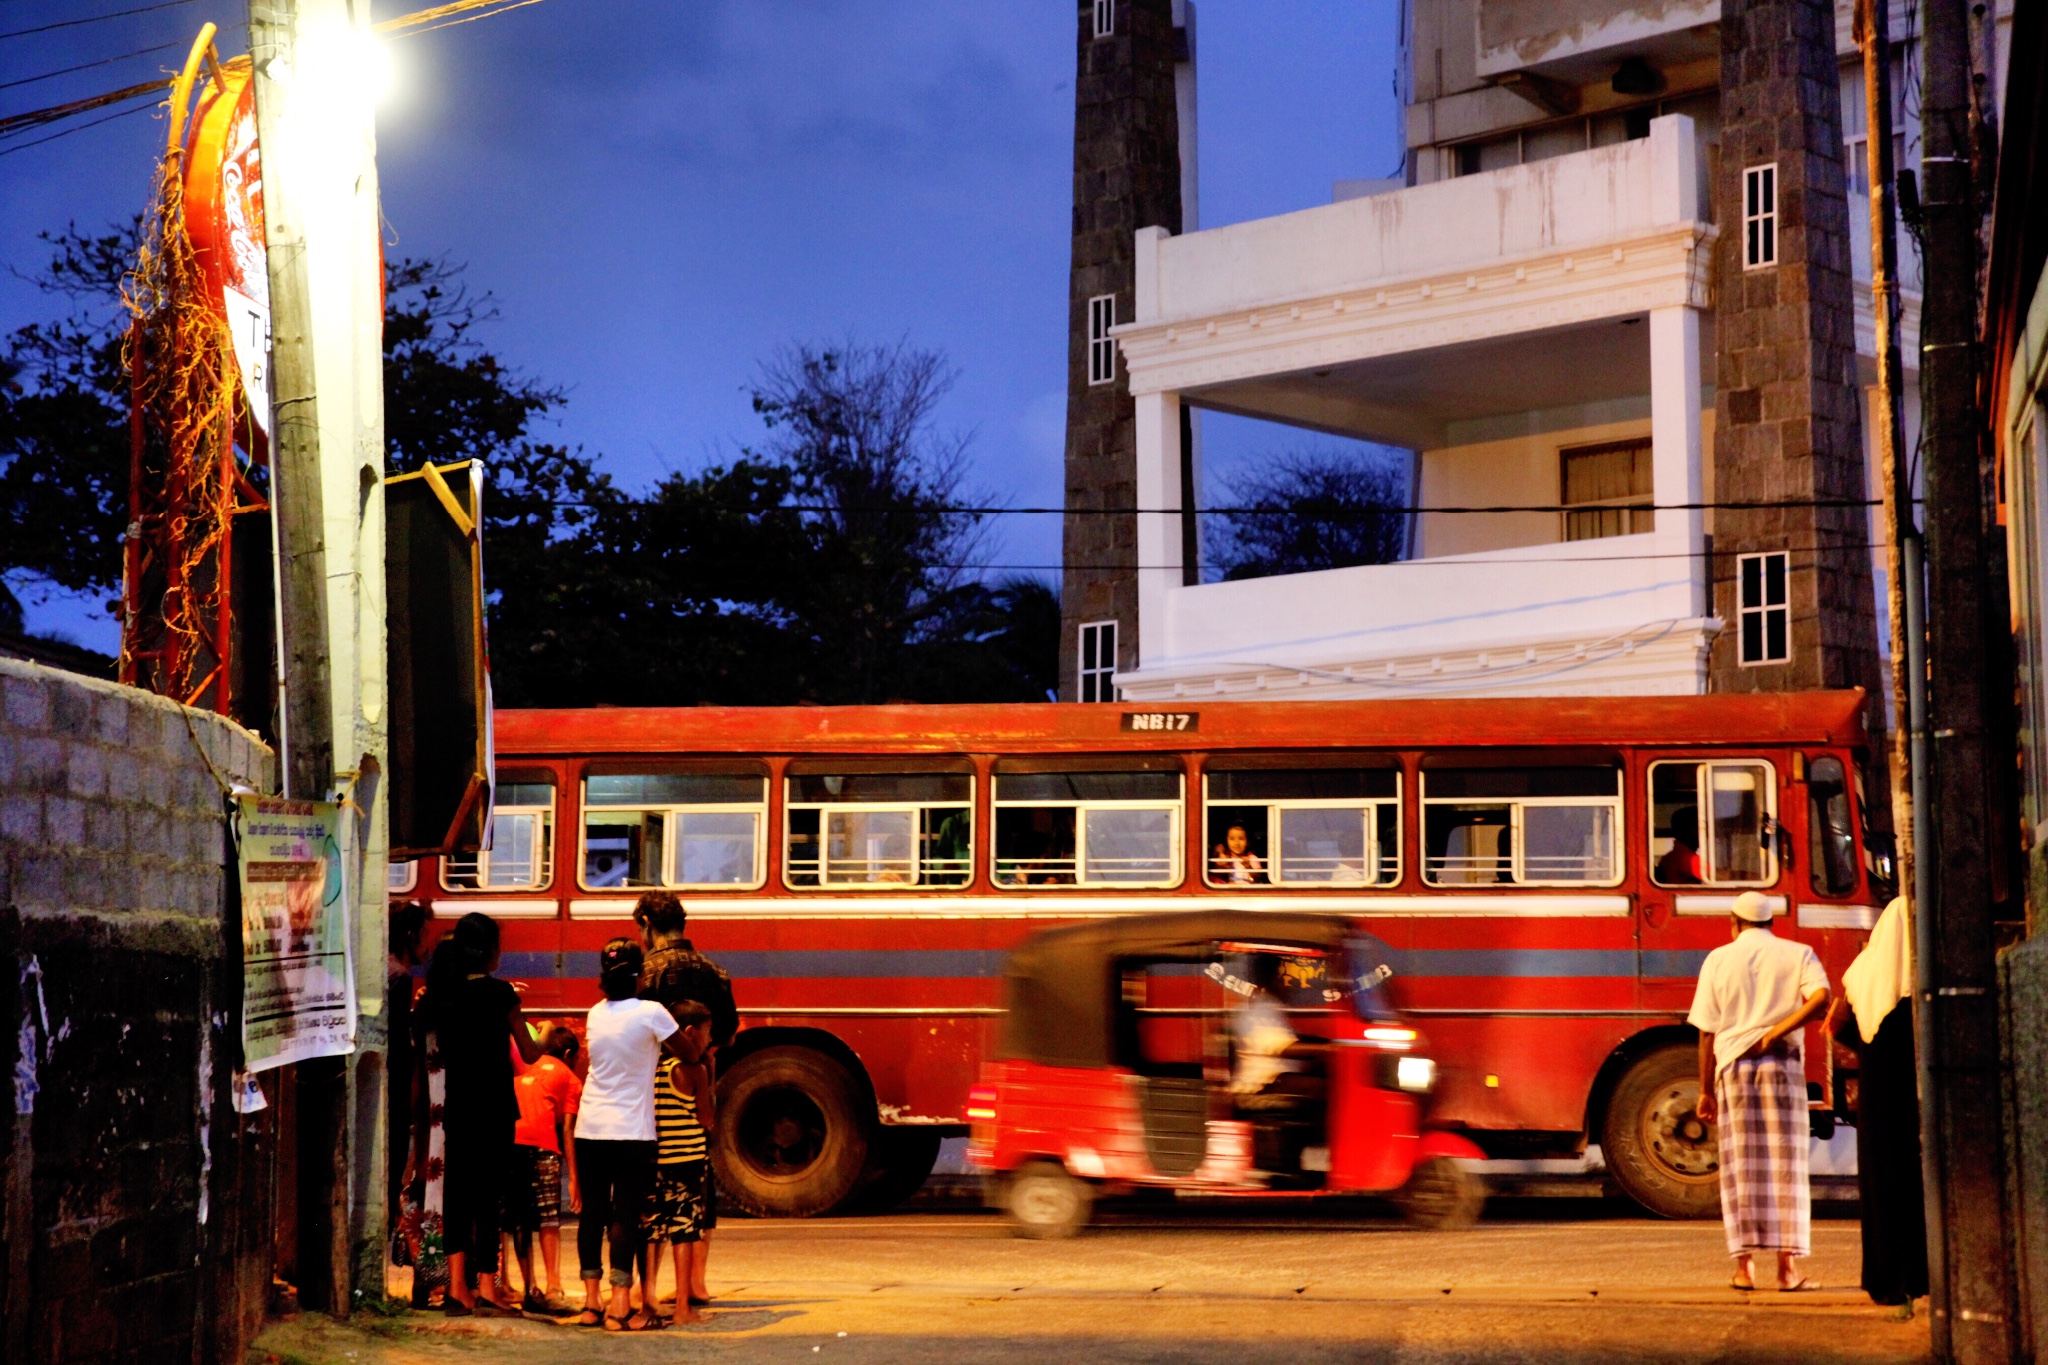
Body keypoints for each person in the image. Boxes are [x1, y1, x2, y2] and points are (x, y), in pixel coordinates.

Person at [1690, 890, 1831, 1292]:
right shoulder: (1798, 952)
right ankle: (1787, 1271)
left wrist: (1705, 1090)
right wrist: (1776, 1032)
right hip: (1782, 1067)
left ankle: (1744, 1270)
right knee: (1786, 1164)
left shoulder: (1718, 958)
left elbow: (1706, 1032)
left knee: (1740, 1169)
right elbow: (1821, 998)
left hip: (1733, 1068)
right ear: (1771, 923)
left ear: (1734, 923)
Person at [418, 912, 542, 1315]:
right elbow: (528, 1051)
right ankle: (487, 1286)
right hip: (494, 1107)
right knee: (488, 1195)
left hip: (459, 1105)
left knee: (456, 1193)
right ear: (490, 951)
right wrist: (552, 1040)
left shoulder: (442, 993)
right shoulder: (501, 994)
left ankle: (457, 1287)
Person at [574, 938, 693, 1331]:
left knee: (592, 1214)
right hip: (631, 1131)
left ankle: (592, 1303)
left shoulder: (595, 1013)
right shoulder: (652, 1012)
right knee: (625, 1214)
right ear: (641, 976)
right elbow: (688, 1052)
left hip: (589, 1127)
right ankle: (620, 1303)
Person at [1824, 896, 1928, 1308]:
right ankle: (1916, 1275)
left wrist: (1869, 1053)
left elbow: (1835, 1028)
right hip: (1910, 1099)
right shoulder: (1916, 983)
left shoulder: (1862, 974)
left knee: (1881, 1185)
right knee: (1912, 1182)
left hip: (1876, 1097)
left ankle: (1885, 1279)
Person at [635, 892, 736, 1307]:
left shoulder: (646, 972)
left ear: (645, 924)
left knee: (655, 1193)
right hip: (700, 1084)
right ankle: (695, 1282)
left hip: (655, 1089)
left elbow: (637, 1029)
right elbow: (729, 1030)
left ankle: (650, 1289)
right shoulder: (715, 971)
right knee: (698, 1185)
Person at [638, 1000, 718, 1326]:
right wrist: (709, 1078)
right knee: (685, 1231)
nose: (708, 1040)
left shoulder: (650, 1066)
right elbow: (706, 1119)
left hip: (654, 1158)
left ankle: (646, 1299)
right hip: (687, 1161)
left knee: (653, 1229)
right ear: (687, 1032)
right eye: (706, 1033)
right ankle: (684, 1307)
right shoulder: (693, 1070)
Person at [504, 1025, 583, 1316]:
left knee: (520, 1220)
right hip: (543, 1149)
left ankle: (529, 1288)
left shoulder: (525, 1063)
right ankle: (554, 1287)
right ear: (568, 1054)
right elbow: (568, 1132)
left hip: (511, 1144)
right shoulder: (570, 1078)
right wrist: (574, 1178)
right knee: (549, 1220)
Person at [387, 901, 429, 1237]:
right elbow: (400, 1037)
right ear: (410, 935)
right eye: (422, 936)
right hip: (396, 1083)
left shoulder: (383, 969)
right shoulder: (400, 977)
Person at [1658, 808, 1704, 884]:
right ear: (1690, 830)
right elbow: (1716, 877)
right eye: (1699, 828)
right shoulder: (1686, 858)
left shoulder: (1672, 856)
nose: (1703, 834)